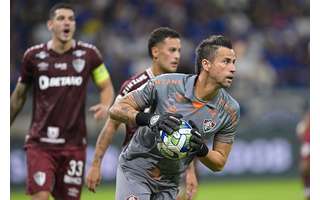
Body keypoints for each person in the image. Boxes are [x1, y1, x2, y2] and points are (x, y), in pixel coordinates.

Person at [108, 35, 240, 200]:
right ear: (206, 64)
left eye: (234, 62)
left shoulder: (230, 110)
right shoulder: (165, 84)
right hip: (136, 169)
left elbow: (219, 163)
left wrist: (201, 149)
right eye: (226, 61)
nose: (233, 68)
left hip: (170, 182)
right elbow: (116, 109)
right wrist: (151, 119)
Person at [10, 3, 114, 200]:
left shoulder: (89, 54)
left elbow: (106, 86)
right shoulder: (33, 57)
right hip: (40, 143)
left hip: (74, 144)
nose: (67, 22)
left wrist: (106, 104)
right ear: (50, 25)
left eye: (71, 19)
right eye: (61, 18)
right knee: (40, 196)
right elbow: (19, 96)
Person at [86, 27, 198, 199]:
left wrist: (190, 172)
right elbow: (111, 125)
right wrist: (95, 165)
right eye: (172, 50)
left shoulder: (180, 89)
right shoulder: (135, 86)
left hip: (166, 170)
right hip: (136, 168)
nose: (177, 56)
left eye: (179, 51)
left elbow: (182, 133)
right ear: (155, 52)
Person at [296, 111, 310, 200]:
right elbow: (301, 137)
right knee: (304, 169)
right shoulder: (302, 126)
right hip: (307, 149)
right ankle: (307, 190)